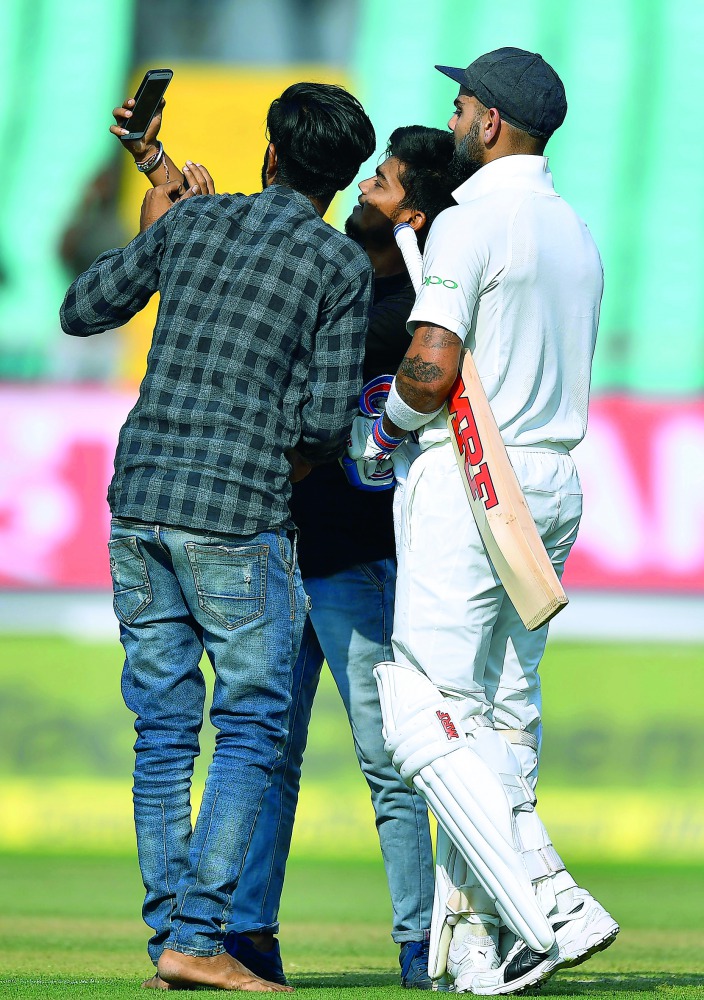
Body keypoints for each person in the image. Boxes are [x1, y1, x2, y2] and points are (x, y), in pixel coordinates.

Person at [112, 103, 457, 989]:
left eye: (384, 187)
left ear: (410, 215)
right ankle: (231, 934)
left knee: (373, 764)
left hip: (330, 551)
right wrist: (162, 174)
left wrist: (174, 205)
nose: (366, 194)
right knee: (265, 749)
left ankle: (415, 945)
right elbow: (310, 404)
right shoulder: (332, 268)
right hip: (264, 535)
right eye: (365, 176)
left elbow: (132, 291)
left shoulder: (410, 314)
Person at [60, 81, 375, 993]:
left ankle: (173, 936)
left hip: (142, 499)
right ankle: (199, 938)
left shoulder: (192, 224)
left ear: (271, 152)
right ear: (341, 182)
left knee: (162, 730)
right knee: (251, 729)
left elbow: (83, 308)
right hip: (238, 517)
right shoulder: (339, 266)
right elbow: (324, 424)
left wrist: (157, 211)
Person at [348, 48, 618, 995]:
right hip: (551, 481)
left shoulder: (470, 219)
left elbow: (429, 370)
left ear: (491, 122)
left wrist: (385, 427)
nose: (453, 118)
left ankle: (545, 903)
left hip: (470, 475)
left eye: (462, 105)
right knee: (495, 717)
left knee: (422, 710)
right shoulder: (575, 229)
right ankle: (475, 948)